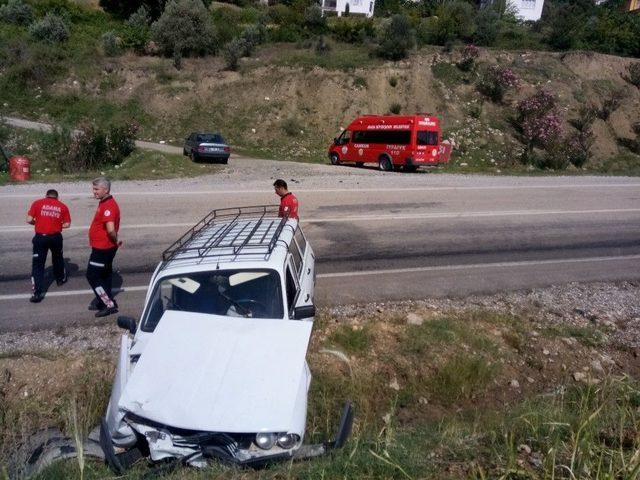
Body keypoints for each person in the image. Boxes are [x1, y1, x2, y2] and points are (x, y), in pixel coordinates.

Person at [26, 189, 71, 303]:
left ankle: (37, 293)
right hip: (55, 237)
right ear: (57, 197)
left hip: (40, 238)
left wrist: (37, 223)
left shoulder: (37, 203)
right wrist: (57, 225)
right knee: (58, 258)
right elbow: (67, 224)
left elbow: (29, 219)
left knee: (38, 265)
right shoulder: (63, 206)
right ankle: (60, 279)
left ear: (46, 196)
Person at [86, 177, 121, 317]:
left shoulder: (108, 206)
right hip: (102, 247)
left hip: (103, 248)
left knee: (92, 276)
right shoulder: (104, 202)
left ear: (105, 190)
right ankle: (105, 299)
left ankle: (108, 304)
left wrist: (115, 240)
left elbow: (111, 229)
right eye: (93, 189)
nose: (94, 192)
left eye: (96, 189)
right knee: (105, 274)